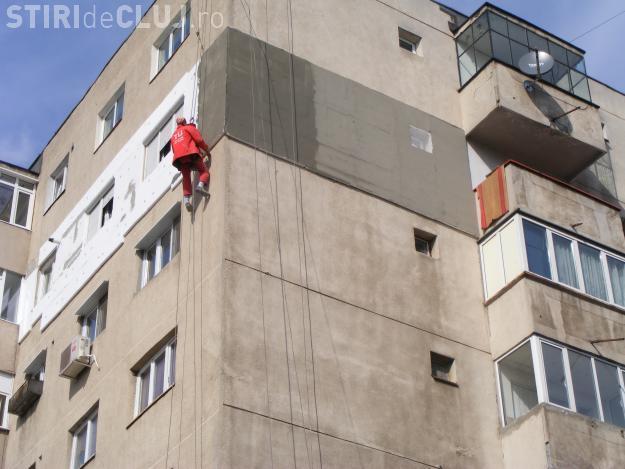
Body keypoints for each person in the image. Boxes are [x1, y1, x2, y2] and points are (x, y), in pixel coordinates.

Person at [170, 117, 211, 210]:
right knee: (204, 171)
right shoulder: (188, 128)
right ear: (185, 122)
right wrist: (206, 149)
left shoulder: (173, 136)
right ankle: (200, 185)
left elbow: (174, 150)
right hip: (191, 154)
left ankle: (186, 200)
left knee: (186, 178)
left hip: (180, 160)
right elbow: (199, 140)